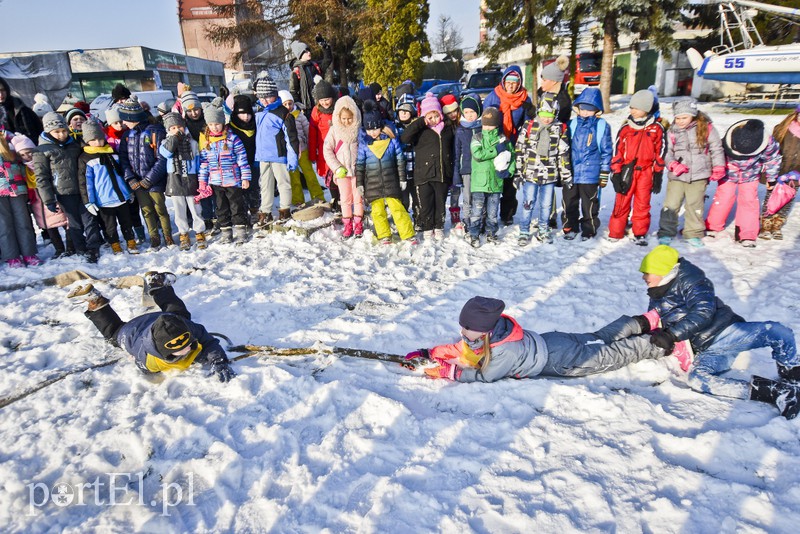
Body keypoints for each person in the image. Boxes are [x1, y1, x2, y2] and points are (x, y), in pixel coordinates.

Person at [638, 245, 800, 419]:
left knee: (778, 331)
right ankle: (778, 392)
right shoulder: (657, 293)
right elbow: (657, 320)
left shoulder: (693, 282)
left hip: (727, 332)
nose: (643, 277)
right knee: (698, 380)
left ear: (661, 271)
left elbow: (703, 311)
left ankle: (792, 376)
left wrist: (672, 334)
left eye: (647, 272)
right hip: (708, 350)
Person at [402, 296, 685, 385]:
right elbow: (458, 348)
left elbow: (486, 376)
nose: (462, 333)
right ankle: (643, 321)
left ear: (484, 331)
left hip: (560, 361)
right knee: (598, 338)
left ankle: (661, 342)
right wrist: (429, 351)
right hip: (551, 341)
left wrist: (448, 372)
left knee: (610, 354)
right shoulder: (492, 332)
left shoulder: (506, 350)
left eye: (467, 330)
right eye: (462, 328)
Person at [67, 272, 235, 382]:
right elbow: (146, 370)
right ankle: (95, 302)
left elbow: (209, 342)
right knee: (113, 334)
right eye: (180, 350)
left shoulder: (187, 328)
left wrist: (218, 360)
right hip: (132, 331)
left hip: (166, 320)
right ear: (163, 352)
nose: (188, 350)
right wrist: (134, 357)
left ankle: (157, 284)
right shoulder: (147, 358)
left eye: (188, 345)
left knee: (180, 314)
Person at [33, 112, 103, 263]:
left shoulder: (74, 143)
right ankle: (80, 248)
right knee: (75, 223)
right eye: (57, 132)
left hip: (82, 188)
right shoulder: (42, 150)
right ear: (48, 131)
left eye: (64, 130)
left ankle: (93, 246)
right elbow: (41, 177)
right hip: (64, 193)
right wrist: (49, 200)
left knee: (89, 218)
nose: (61, 134)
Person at [657, 98, 725, 248]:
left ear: (693, 115)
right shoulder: (672, 131)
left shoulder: (706, 128)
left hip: (699, 175)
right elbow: (666, 152)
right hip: (677, 176)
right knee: (671, 204)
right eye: (677, 117)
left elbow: (716, 149)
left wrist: (719, 167)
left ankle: (693, 233)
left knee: (695, 205)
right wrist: (673, 164)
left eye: (684, 117)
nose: (680, 121)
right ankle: (666, 232)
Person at [705, 119, 782, 248]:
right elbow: (716, 155)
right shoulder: (729, 138)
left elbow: (773, 159)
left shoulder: (768, 142)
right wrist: (715, 169)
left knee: (749, 200)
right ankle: (713, 226)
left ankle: (747, 234)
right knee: (723, 198)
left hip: (751, 174)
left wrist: (771, 178)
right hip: (728, 172)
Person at [608, 89, 666, 246]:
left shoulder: (656, 128)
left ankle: (639, 232)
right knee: (622, 200)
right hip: (627, 170)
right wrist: (616, 172)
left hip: (646, 171)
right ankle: (616, 231)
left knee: (642, 203)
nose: (632, 110)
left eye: (636, 108)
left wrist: (658, 173)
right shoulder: (626, 128)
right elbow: (618, 150)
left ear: (646, 109)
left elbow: (660, 151)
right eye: (631, 107)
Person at [514, 94, 572, 246]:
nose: (546, 119)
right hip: (531, 173)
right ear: (538, 112)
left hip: (550, 174)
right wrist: (518, 172)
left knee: (546, 205)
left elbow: (563, 153)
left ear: (555, 114)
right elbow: (520, 150)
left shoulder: (560, 128)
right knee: (528, 202)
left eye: (550, 115)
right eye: (543, 114)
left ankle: (543, 229)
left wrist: (566, 175)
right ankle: (524, 230)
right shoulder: (529, 126)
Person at [355, 104, 416, 245]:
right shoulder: (364, 145)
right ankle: (384, 235)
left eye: (375, 128)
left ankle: (407, 234)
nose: (373, 132)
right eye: (369, 129)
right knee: (377, 212)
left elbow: (400, 159)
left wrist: (402, 178)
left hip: (391, 182)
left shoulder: (392, 141)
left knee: (397, 208)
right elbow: (359, 166)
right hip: (372, 184)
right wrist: (359, 183)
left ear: (381, 126)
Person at [117, 96, 172, 249]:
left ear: (131, 117)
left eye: (125, 119)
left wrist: (150, 179)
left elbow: (162, 158)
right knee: (146, 210)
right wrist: (130, 179)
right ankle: (154, 237)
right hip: (137, 182)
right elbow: (124, 159)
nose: (123, 123)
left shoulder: (155, 131)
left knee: (160, 208)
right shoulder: (127, 136)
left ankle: (167, 235)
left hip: (154, 180)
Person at [77, 119, 138, 255]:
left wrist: (129, 191)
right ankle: (115, 244)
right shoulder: (85, 158)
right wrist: (89, 202)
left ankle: (130, 241)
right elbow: (86, 183)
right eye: (94, 140)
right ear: (87, 141)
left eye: (100, 139)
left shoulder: (112, 153)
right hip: (104, 201)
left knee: (126, 222)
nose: (98, 143)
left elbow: (122, 174)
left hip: (121, 197)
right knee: (110, 226)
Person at [400, 93, 454, 240]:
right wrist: (420, 122)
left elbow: (453, 151)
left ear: (440, 115)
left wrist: (451, 171)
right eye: (429, 117)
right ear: (424, 117)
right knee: (426, 204)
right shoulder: (420, 130)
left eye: (435, 116)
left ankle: (439, 226)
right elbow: (404, 138)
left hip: (442, 173)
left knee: (440, 203)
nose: (433, 120)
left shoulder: (448, 129)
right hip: (423, 174)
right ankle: (428, 228)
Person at [482, 66, 532, 226]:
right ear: (503, 81)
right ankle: (488, 215)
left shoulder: (524, 98)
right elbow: (486, 120)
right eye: (508, 82)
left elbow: (527, 122)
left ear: (519, 82)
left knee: (510, 181)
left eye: (515, 82)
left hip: (514, 143)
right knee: (494, 179)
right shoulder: (493, 97)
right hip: (495, 142)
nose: (511, 85)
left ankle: (507, 214)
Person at [561, 87, 612, 241]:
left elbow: (606, 151)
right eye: (582, 108)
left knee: (589, 203)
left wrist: (604, 172)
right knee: (569, 201)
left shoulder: (601, 126)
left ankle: (589, 228)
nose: (584, 112)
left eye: (589, 110)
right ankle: (570, 225)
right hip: (571, 172)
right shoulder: (571, 124)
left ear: (597, 110)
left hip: (591, 174)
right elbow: (564, 147)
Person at [9, 133, 71, 258]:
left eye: (29, 152)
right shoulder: (23, 169)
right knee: (48, 225)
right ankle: (58, 248)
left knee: (66, 220)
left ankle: (70, 246)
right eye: (22, 154)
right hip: (37, 201)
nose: (27, 156)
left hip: (52, 195)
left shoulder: (44, 161)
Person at [199, 98, 251, 245]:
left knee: (236, 206)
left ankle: (241, 231)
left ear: (222, 122)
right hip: (216, 181)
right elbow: (204, 163)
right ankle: (226, 232)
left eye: (217, 124)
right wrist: (203, 181)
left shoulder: (232, 139)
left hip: (233, 180)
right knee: (221, 208)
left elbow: (242, 159)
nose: (214, 127)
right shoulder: (206, 141)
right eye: (211, 124)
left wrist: (245, 177)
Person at [253, 75, 299, 223]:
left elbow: (291, 138)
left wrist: (292, 157)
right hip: (263, 156)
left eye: (268, 97)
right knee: (265, 185)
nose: (264, 101)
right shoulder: (259, 111)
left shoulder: (283, 113)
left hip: (278, 155)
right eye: (261, 98)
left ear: (275, 95)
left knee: (283, 183)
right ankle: (265, 211)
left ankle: (285, 209)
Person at [467, 107, 514, 247]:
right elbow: (478, 155)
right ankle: (474, 234)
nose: (487, 127)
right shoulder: (477, 137)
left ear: (497, 125)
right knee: (476, 211)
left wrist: (509, 171)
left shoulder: (503, 139)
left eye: (490, 124)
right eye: (485, 124)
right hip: (479, 183)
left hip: (495, 182)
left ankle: (491, 233)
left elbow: (511, 156)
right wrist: (495, 150)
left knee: (493, 212)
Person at [159, 112, 206, 250]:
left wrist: (201, 178)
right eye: (173, 128)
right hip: (175, 178)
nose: (177, 130)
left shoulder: (192, 143)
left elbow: (198, 161)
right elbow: (166, 153)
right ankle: (183, 233)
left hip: (191, 178)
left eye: (179, 127)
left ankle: (199, 231)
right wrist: (173, 140)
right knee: (179, 209)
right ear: (168, 130)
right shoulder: (165, 143)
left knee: (195, 207)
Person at [324, 96, 364, 238]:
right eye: (344, 119)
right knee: (345, 199)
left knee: (358, 198)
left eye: (349, 118)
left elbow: (364, 149)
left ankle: (358, 223)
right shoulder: (334, 131)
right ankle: (348, 224)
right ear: (338, 117)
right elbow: (327, 150)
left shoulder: (359, 130)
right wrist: (336, 167)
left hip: (357, 171)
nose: (347, 121)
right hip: (342, 172)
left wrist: (362, 166)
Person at [0, 132, 41, 267]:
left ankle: (29, 253)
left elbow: (23, 144)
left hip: (17, 189)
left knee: (23, 221)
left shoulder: (8, 140)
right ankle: (12, 256)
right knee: (4, 225)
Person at [760, 105, 800, 240]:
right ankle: (766, 225)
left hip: (795, 175)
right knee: (771, 199)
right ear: (796, 114)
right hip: (777, 172)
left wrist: (797, 173)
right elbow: (771, 152)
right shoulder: (782, 129)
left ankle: (777, 225)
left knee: (788, 199)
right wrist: (770, 174)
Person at [279, 90, 325, 205]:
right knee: (294, 178)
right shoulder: (280, 118)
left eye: (290, 103)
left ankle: (318, 197)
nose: (288, 106)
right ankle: (298, 200)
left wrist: (311, 148)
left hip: (302, 150)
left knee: (310, 175)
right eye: (285, 104)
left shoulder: (299, 116)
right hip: (290, 153)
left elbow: (308, 132)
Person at [452, 94, 482, 234]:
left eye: (472, 112)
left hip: (481, 169)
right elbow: (457, 153)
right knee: (467, 197)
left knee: (479, 197)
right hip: (467, 169)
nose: (469, 115)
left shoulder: (483, 128)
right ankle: (467, 220)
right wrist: (457, 173)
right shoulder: (460, 130)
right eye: (466, 112)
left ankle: (479, 220)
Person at [308, 80, 339, 211]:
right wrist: (312, 153)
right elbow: (312, 134)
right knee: (329, 179)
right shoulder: (316, 112)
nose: (325, 103)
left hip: (338, 149)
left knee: (339, 175)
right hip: (323, 150)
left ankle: (342, 200)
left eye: (327, 99)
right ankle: (335, 201)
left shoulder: (338, 109)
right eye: (321, 100)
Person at [289, 35, 333, 116]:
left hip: (321, 105)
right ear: (300, 54)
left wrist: (324, 45)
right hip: (307, 109)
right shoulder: (296, 72)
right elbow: (293, 91)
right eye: (305, 51)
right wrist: (299, 106)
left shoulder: (315, 66)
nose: (309, 52)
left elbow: (328, 60)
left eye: (308, 50)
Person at [394, 91, 420, 226]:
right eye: (401, 110)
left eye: (407, 111)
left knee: (417, 198)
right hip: (401, 171)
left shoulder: (416, 127)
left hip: (415, 170)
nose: (404, 113)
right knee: (403, 199)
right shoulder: (394, 128)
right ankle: (404, 221)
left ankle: (418, 219)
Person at [0, 77, 43, 144]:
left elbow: (39, 132)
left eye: (3, 90)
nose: (1, 94)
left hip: (28, 150)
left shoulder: (21, 109)